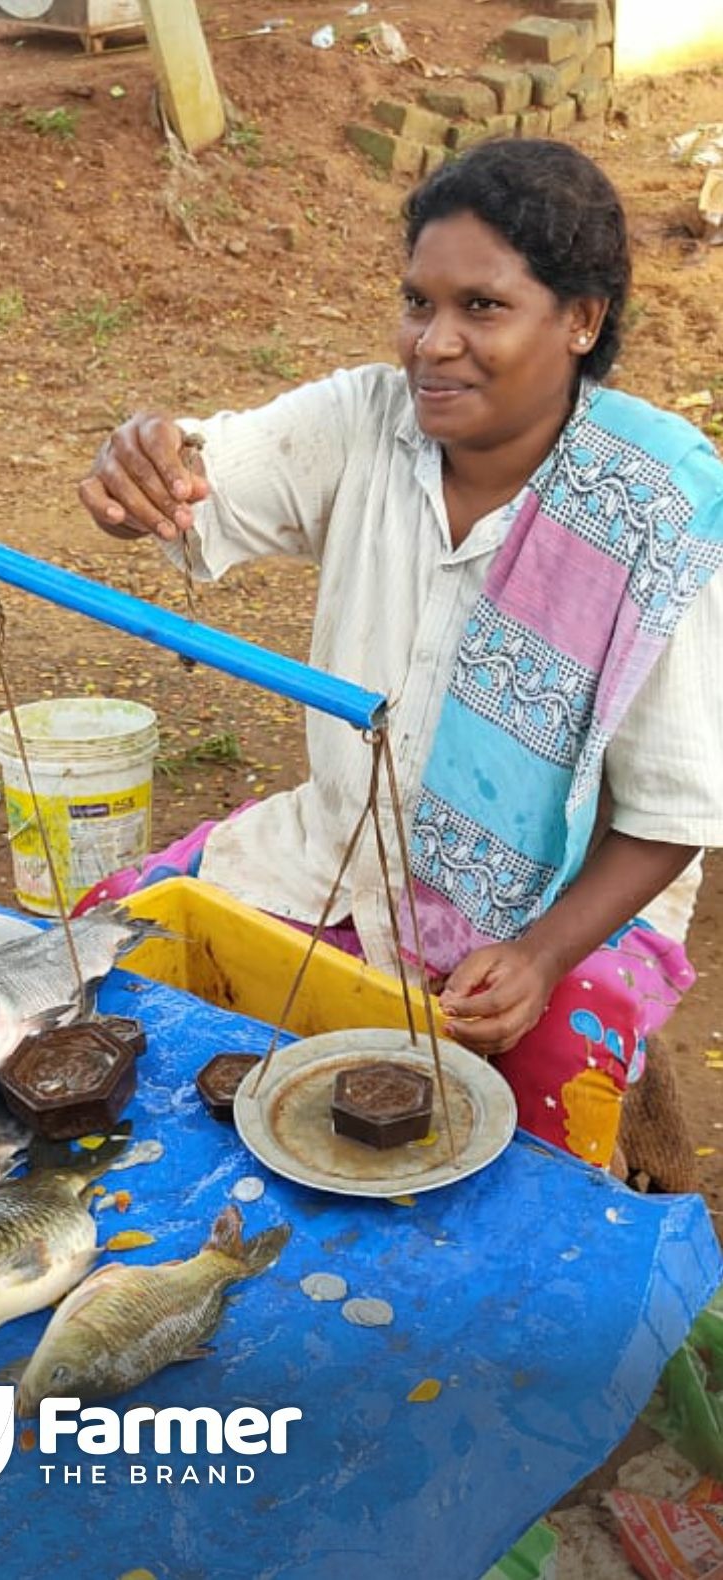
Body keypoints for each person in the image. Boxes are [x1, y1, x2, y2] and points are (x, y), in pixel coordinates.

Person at [75, 137, 723, 1171]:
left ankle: (637, 1155)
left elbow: (671, 812)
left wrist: (540, 955)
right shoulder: (364, 424)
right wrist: (143, 465)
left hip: (563, 906)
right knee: (107, 948)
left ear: (581, 320)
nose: (433, 342)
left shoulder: (652, 511)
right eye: (419, 302)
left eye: (482, 307)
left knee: (528, 1121)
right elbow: (201, 479)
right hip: (338, 848)